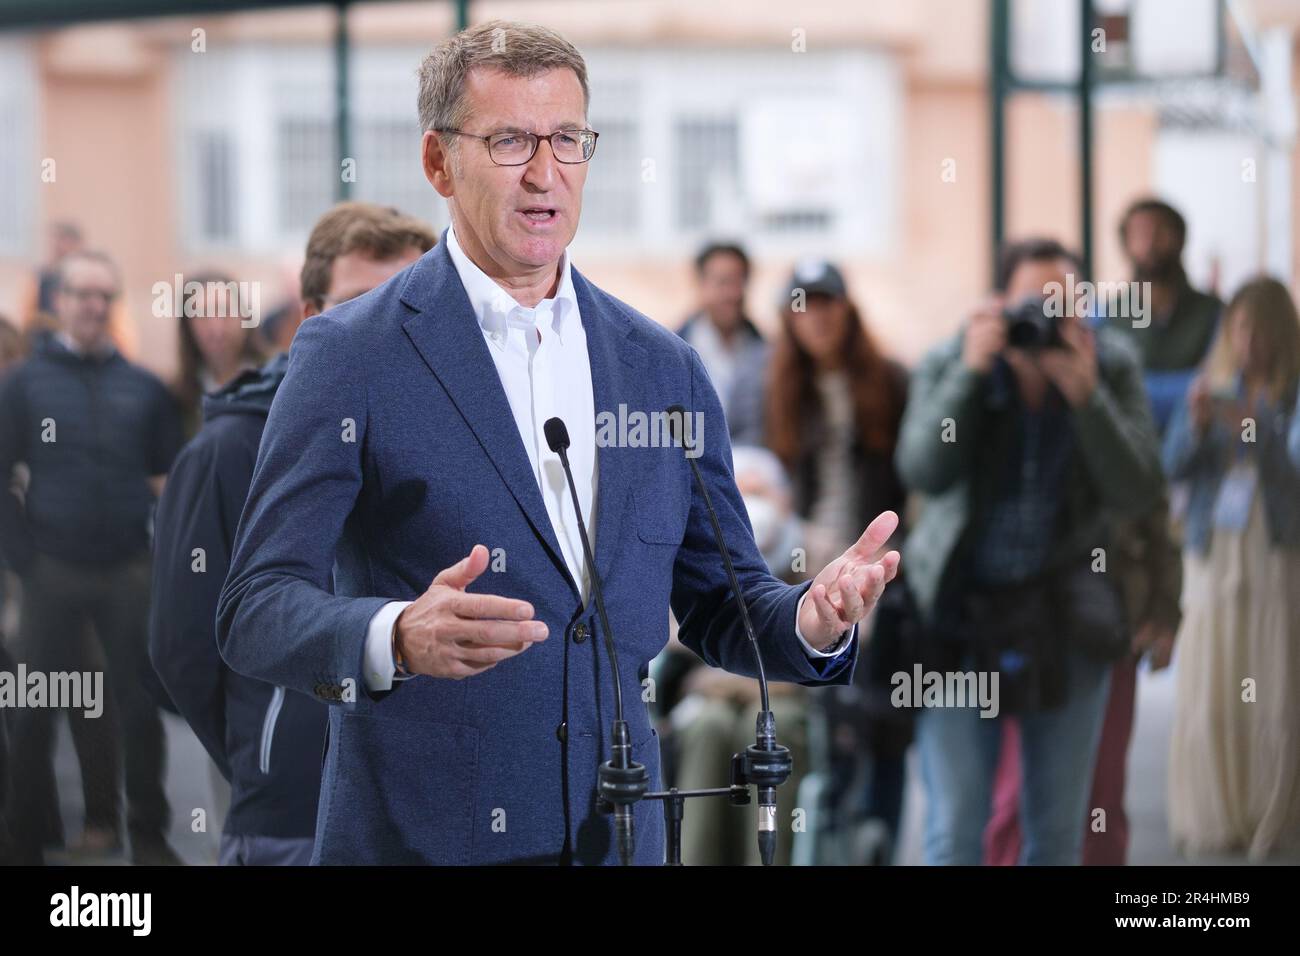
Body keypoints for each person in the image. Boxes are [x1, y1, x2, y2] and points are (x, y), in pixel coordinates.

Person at [216, 20, 900, 866]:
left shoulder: (664, 369)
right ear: (438, 162)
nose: (546, 172)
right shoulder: (350, 354)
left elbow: (724, 604)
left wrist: (812, 617)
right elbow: (254, 608)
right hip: (421, 841)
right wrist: (393, 634)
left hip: (617, 837)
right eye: (509, 141)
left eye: (568, 139)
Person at [150, 202, 436, 866]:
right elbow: (181, 649)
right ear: (311, 315)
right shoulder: (227, 450)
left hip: (429, 811)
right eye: (362, 301)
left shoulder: (445, 443)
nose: (390, 323)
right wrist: (265, 753)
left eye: (411, 301)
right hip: (292, 817)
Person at [896, 237, 1163, 865]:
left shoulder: (1108, 364)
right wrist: (969, 373)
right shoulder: (956, 357)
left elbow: (1139, 489)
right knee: (956, 829)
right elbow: (922, 468)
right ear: (998, 303)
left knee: (1055, 834)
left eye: (1062, 303)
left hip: (1065, 620)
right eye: (1031, 303)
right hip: (960, 621)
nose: (1045, 318)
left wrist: (1086, 396)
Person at [0, 250, 184, 865]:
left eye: (104, 295)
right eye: (81, 294)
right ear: (59, 303)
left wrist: (160, 557)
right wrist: (23, 558)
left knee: (135, 706)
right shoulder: (23, 384)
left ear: (114, 305)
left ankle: (146, 834)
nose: (93, 305)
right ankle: (25, 841)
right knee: (32, 706)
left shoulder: (143, 387)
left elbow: (169, 480)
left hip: (128, 567)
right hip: (50, 567)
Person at [764, 259, 912, 859]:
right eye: (803, 305)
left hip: (880, 567)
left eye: (826, 303)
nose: (816, 317)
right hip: (803, 573)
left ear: (847, 310)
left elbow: (913, 487)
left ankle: (879, 840)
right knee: (825, 720)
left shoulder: (892, 381)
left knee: (882, 720)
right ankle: (825, 840)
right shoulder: (777, 391)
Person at [1164, 276, 1300, 860]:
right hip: (1213, 554)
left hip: (1276, 555)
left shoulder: (1293, 397)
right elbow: (1172, 466)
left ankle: (1270, 812)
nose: (1250, 342)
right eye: (1240, 328)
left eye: (1261, 330)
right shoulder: (1208, 384)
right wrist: (1197, 424)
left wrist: (1258, 423)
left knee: (1273, 683)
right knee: (1212, 685)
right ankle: (1215, 814)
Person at [1105, 197, 1223, 433]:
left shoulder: (1212, 311)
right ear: (1126, 244)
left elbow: (1219, 382)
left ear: (1180, 239)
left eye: (1160, 231)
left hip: (1196, 442)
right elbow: (1104, 389)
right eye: (1139, 234)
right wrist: (1187, 385)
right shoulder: (1107, 315)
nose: (1150, 242)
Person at [677, 242, 768, 446]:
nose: (732, 294)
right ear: (701, 285)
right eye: (722, 282)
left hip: (752, 463)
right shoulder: (673, 351)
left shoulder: (765, 351)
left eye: (739, 282)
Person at [171, 274, 268, 440]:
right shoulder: (178, 398)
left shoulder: (276, 378)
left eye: (225, 312)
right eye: (202, 315)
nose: (216, 328)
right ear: (188, 326)